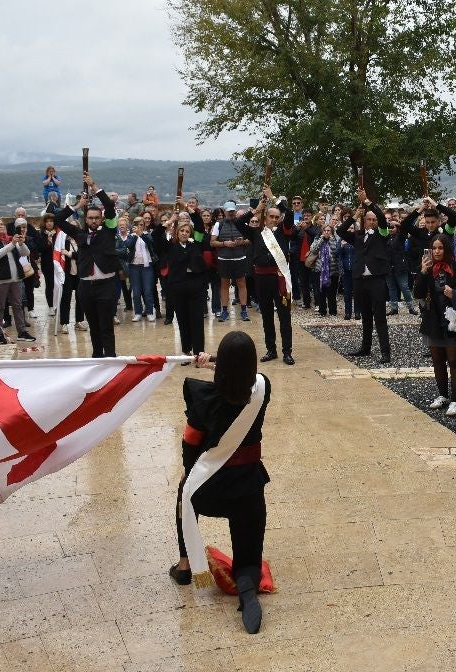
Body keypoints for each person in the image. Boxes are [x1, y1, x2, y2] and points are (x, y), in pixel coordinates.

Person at [170, 332, 270, 634]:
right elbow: (248, 377)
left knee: (183, 491)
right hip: (248, 488)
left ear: (222, 364)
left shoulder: (204, 398)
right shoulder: (262, 389)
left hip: (209, 490)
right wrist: (220, 365)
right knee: (248, 552)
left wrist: (194, 476)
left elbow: (190, 446)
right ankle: (247, 586)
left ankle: (186, 565)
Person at [55, 173, 119, 357]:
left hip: (106, 285)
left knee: (106, 326)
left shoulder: (109, 230)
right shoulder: (78, 233)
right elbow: (58, 220)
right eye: (90, 218)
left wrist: (94, 187)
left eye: (96, 218)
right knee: (93, 326)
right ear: (86, 219)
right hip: (86, 286)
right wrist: (76, 206)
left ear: (101, 219)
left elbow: (109, 205)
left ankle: (111, 357)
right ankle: (97, 356)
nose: (93, 221)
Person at [235, 186, 295, 365]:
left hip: (280, 279)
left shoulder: (285, 232)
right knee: (267, 316)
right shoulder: (256, 232)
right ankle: (271, 349)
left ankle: (287, 351)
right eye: (271, 216)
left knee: (284, 317)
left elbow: (289, 213)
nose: (274, 219)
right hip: (261, 279)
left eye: (277, 217)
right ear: (266, 217)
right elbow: (238, 223)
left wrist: (273, 198)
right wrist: (257, 209)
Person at [415, 236, 456, 416]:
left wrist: (454, 293)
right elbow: (417, 293)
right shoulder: (428, 268)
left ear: (446, 249)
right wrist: (423, 272)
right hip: (433, 317)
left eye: (440, 248)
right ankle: (442, 395)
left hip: (453, 318)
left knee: (454, 359)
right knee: (437, 359)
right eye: (434, 248)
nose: (437, 251)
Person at [340, 189, 392, 363]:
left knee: (380, 317)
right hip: (360, 280)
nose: (371, 222)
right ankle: (365, 347)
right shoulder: (358, 235)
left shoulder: (382, 234)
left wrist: (367, 201)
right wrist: (355, 215)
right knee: (365, 316)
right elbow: (340, 230)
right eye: (368, 219)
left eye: (373, 219)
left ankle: (385, 351)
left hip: (376, 280)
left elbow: (383, 218)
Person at [153, 205, 209, 358]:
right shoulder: (170, 247)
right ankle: (186, 350)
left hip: (196, 286)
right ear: (177, 232)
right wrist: (170, 220)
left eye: (187, 231)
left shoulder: (195, 244)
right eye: (182, 231)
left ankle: (199, 353)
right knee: (183, 320)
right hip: (178, 287)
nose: (185, 233)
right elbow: (156, 234)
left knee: (197, 320)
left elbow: (198, 224)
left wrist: (187, 208)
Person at [0, 218, 35, 342]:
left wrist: (21, 243)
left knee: (18, 305)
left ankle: (22, 332)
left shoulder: (9, 239)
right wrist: (12, 243)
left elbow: (26, 253)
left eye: (2, 224)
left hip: (15, 278)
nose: (1, 226)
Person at [211, 202, 251, 322]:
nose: (231, 213)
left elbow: (250, 239)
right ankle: (224, 311)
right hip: (224, 259)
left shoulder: (242, 223)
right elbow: (212, 242)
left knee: (242, 284)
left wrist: (241, 242)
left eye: (233, 211)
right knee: (224, 285)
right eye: (229, 211)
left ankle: (243, 310)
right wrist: (224, 243)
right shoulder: (218, 224)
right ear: (225, 211)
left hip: (240, 258)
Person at [124, 215, 158, 321]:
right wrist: (135, 235)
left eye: (141, 224)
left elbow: (150, 242)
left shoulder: (148, 234)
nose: (139, 226)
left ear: (144, 225)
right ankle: (138, 312)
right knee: (136, 291)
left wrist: (141, 234)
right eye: (137, 224)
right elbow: (129, 245)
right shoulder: (131, 236)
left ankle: (149, 312)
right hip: (134, 267)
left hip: (147, 267)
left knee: (148, 290)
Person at [309, 222, 342, 317]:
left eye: (329, 231)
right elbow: (314, 249)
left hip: (333, 270)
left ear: (332, 232)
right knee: (321, 292)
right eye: (325, 230)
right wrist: (321, 239)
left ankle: (332, 311)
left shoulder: (335, 239)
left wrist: (331, 240)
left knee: (332, 292)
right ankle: (322, 311)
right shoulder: (317, 239)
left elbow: (336, 252)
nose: (327, 232)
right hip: (320, 269)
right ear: (322, 231)